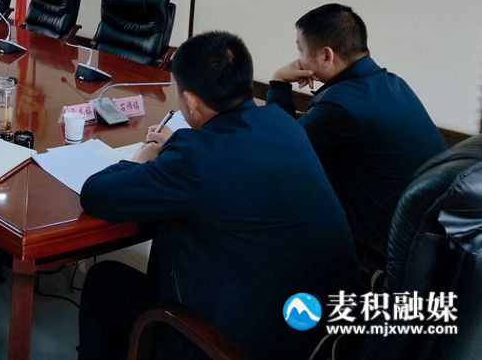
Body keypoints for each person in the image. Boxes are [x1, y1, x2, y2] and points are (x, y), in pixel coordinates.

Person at [78, 31, 359, 360]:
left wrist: (140, 158)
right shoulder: (283, 123)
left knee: (104, 282)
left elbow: (96, 194)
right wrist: (175, 149)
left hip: (234, 346)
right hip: (320, 335)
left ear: (191, 101)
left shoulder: (196, 159)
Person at [266, 3, 446, 257]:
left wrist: (278, 80)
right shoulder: (393, 83)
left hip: (378, 245)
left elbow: (278, 149)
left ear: (326, 55)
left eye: (301, 49)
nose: (298, 59)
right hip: (425, 238)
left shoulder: (339, 105)